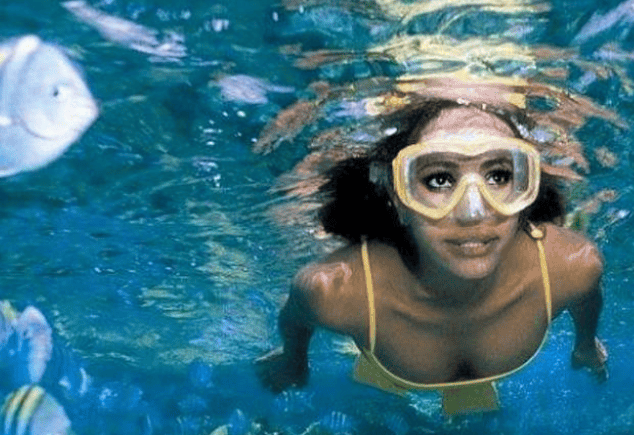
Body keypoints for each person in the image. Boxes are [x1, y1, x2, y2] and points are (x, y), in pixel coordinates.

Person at [255, 95, 608, 416]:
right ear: (398, 199)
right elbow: (296, 318)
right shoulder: (334, 291)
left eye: (499, 175)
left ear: (524, 189)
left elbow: (587, 300)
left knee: (475, 431)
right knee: (379, 413)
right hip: (387, 370)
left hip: (459, 380)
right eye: (439, 180)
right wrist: (293, 360)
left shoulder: (573, 266)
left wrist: (585, 344)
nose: (474, 212)